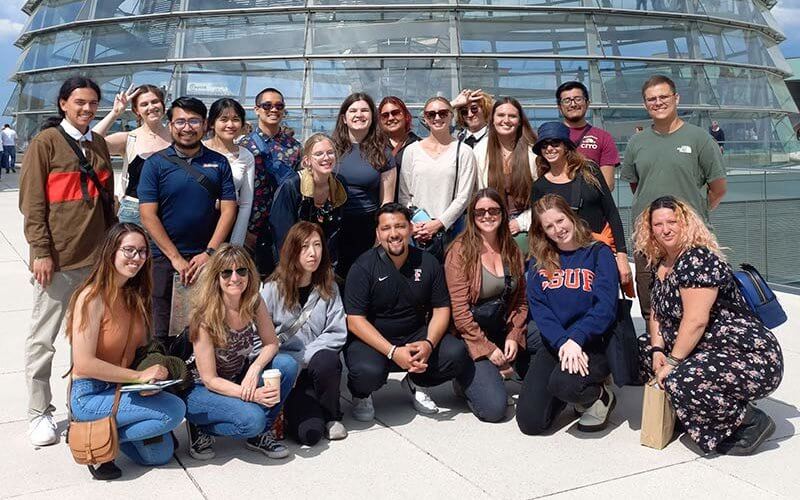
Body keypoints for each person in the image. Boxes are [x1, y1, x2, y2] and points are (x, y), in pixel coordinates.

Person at [633, 196, 783, 455]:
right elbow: (656, 313)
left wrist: (672, 362)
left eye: (672, 221)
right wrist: (658, 350)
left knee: (682, 378)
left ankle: (749, 420)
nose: (665, 229)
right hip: (705, 349)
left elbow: (695, 320)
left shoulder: (697, 259)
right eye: (658, 224)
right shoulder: (660, 262)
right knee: (643, 350)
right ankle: (694, 409)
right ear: (650, 229)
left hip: (746, 354)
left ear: (686, 223)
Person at [19, 76, 116, 447]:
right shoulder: (45, 144)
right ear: (63, 104)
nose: (87, 109)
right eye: (79, 102)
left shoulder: (99, 144)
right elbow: (32, 205)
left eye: (92, 103)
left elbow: (107, 202)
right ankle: (39, 412)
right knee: (43, 340)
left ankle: (83, 405)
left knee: (89, 341)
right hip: (57, 261)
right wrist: (41, 252)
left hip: (96, 261)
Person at [66, 223, 186, 480]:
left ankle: (106, 437)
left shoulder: (136, 296)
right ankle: (87, 434)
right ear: (111, 252)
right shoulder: (91, 297)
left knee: (160, 455)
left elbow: (143, 352)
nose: (137, 258)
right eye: (129, 250)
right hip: (90, 394)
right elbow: (84, 364)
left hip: (123, 388)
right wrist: (137, 377)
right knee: (174, 410)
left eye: (142, 252)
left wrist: (151, 377)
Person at [344, 203, 474, 421]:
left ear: (411, 229)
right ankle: (361, 394)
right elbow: (355, 321)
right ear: (378, 233)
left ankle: (417, 382)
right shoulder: (363, 267)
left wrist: (429, 343)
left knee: (457, 353)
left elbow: (441, 308)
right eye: (386, 228)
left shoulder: (428, 262)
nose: (393, 234)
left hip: (415, 337)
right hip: (375, 341)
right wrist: (393, 352)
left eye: (400, 226)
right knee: (365, 372)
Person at [620, 74, 727, 333]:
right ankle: (655, 355)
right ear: (645, 104)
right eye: (651, 99)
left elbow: (718, 189)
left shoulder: (699, 138)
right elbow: (637, 185)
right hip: (648, 235)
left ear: (676, 98)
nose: (658, 103)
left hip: (690, 238)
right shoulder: (637, 142)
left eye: (663, 97)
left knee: (695, 304)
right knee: (650, 303)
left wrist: (694, 214)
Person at [184, 244, 298, 460]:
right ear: (216, 277)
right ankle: (202, 426)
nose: (235, 278)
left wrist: (254, 369)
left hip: (236, 376)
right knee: (253, 420)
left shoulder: (253, 301)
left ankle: (259, 434)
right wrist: (252, 395)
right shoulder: (204, 317)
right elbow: (209, 380)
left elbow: (271, 343)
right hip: (201, 388)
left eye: (241, 270)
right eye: (226, 272)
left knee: (287, 365)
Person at [516, 194, 618, 435]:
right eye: (549, 226)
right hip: (558, 345)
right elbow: (541, 311)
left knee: (565, 385)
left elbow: (605, 306)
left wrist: (577, 339)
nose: (557, 230)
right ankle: (566, 391)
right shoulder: (539, 262)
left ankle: (601, 396)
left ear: (571, 216)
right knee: (530, 423)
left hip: (592, 343)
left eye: (560, 220)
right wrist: (563, 342)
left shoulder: (598, 252)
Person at [138, 97, 237, 342]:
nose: (187, 127)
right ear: (170, 125)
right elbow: (148, 215)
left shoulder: (219, 162)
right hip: (164, 259)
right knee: (161, 329)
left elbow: (228, 210)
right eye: (180, 121)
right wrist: (175, 258)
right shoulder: (155, 164)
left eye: (193, 121)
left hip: (206, 260)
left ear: (204, 125)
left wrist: (210, 253)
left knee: (206, 328)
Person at [445, 189, 527, 422]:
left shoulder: (512, 248)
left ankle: (511, 371)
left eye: (493, 210)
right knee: (494, 409)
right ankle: (465, 381)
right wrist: (488, 349)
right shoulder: (460, 251)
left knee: (538, 340)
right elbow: (459, 312)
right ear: (471, 216)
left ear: (503, 213)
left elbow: (520, 300)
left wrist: (514, 335)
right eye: (480, 211)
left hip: (500, 327)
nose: (487, 216)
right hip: (469, 335)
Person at [262, 222, 348, 445]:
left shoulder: (329, 286)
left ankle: (331, 414)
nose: (313, 253)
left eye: (318, 245)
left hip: (316, 366)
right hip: (288, 375)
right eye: (305, 246)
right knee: (310, 436)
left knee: (328, 359)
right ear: (293, 251)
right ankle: (300, 413)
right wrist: (290, 365)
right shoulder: (272, 289)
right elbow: (259, 336)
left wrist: (303, 358)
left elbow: (337, 332)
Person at [531, 122, 632, 294]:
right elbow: (539, 230)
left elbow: (612, 212)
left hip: (598, 252)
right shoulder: (540, 186)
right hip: (564, 261)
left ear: (566, 146)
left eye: (555, 143)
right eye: (544, 145)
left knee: (605, 302)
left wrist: (622, 255)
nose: (549, 148)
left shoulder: (589, 171)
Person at [398, 96, 476, 261]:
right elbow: (404, 194)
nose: (437, 118)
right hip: (417, 233)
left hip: (450, 232)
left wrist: (439, 223)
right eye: (431, 114)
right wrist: (414, 225)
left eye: (443, 113)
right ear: (425, 118)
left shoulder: (464, 151)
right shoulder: (412, 151)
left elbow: (464, 196)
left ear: (451, 115)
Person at [332, 92, 397, 278]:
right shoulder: (331, 149)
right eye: (353, 110)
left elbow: (387, 201)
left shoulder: (384, 154)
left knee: (365, 277)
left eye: (364, 110)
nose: (359, 115)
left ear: (372, 117)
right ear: (344, 118)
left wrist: (381, 232)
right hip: (334, 224)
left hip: (367, 227)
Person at [239, 87, 302, 279]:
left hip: (284, 226)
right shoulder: (243, 145)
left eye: (279, 106)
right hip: (251, 227)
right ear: (256, 109)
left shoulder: (295, 147)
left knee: (284, 280)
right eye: (267, 105)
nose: (273, 109)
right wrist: (245, 230)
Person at [92, 84, 172, 225]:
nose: (151, 107)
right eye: (144, 104)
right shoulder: (129, 138)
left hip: (171, 209)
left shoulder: (177, 137)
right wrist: (115, 113)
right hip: (134, 211)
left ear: (163, 105)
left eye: (155, 102)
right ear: (136, 110)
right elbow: (91, 141)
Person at [270, 133, 347, 268]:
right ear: (307, 161)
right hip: (294, 262)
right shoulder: (292, 187)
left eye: (330, 153)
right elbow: (283, 236)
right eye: (318, 154)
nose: (326, 158)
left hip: (326, 263)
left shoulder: (340, 185)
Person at [472, 97, 537, 250]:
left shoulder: (533, 152)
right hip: (490, 222)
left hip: (527, 224)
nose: (506, 120)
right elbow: (476, 195)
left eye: (512, 116)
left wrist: (521, 223)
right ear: (492, 119)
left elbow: (544, 197)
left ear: (520, 121)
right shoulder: (479, 152)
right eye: (501, 115)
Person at [203, 98, 255, 246]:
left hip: (229, 225)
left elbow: (246, 204)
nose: (230, 125)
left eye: (236, 119)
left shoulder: (246, 156)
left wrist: (236, 244)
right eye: (224, 119)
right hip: (196, 225)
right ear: (212, 123)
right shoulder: (198, 151)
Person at [556, 81, 620, 190]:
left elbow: (607, 184)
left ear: (587, 103)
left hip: (591, 204)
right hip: (557, 203)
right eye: (567, 100)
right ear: (559, 107)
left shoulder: (603, 137)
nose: (573, 104)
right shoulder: (551, 137)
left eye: (578, 99)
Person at [378, 96, 421, 172]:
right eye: (385, 115)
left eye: (395, 113)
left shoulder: (419, 146)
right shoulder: (375, 146)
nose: (390, 118)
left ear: (406, 116)